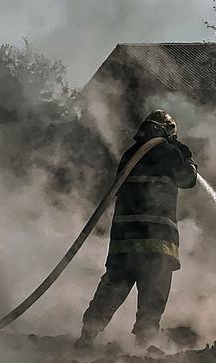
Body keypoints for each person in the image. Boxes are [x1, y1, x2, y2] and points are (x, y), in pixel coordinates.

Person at [75, 110, 198, 349]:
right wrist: (186, 155)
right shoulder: (169, 153)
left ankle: (87, 336)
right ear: (169, 132)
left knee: (113, 286)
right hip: (157, 240)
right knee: (154, 293)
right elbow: (188, 179)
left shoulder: (130, 154)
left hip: (124, 240)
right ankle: (145, 345)